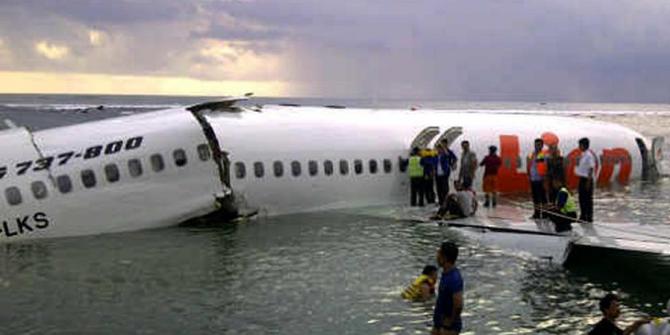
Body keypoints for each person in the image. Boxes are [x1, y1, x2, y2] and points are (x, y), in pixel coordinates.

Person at [432, 242, 464, 335]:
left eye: (439, 253)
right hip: (439, 324)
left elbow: (458, 304)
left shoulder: (454, 278)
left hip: (448, 328)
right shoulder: (446, 274)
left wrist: (449, 322)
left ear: (444, 258)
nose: (436, 256)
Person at [576, 137, 597, 222]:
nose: (579, 147)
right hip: (582, 178)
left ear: (584, 145)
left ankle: (589, 217)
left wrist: (588, 182)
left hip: (587, 179)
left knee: (587, 199)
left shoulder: (589, 155)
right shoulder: (583, 154)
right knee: (581, 198)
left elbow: (591, 168)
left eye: (580, 145)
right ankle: (583, 216)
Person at [527, 138, 548, 219]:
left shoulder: (542, 155)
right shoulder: (532, 154)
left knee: (543, 198)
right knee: (535, 197)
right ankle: (537, 213)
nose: (537, 146)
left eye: (539, 145)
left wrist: (545, 180)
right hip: (533, 179)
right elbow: (530, 164)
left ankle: (545, 214)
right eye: (535, 144)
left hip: (540, 179)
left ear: (542, 146)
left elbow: (543, 167)